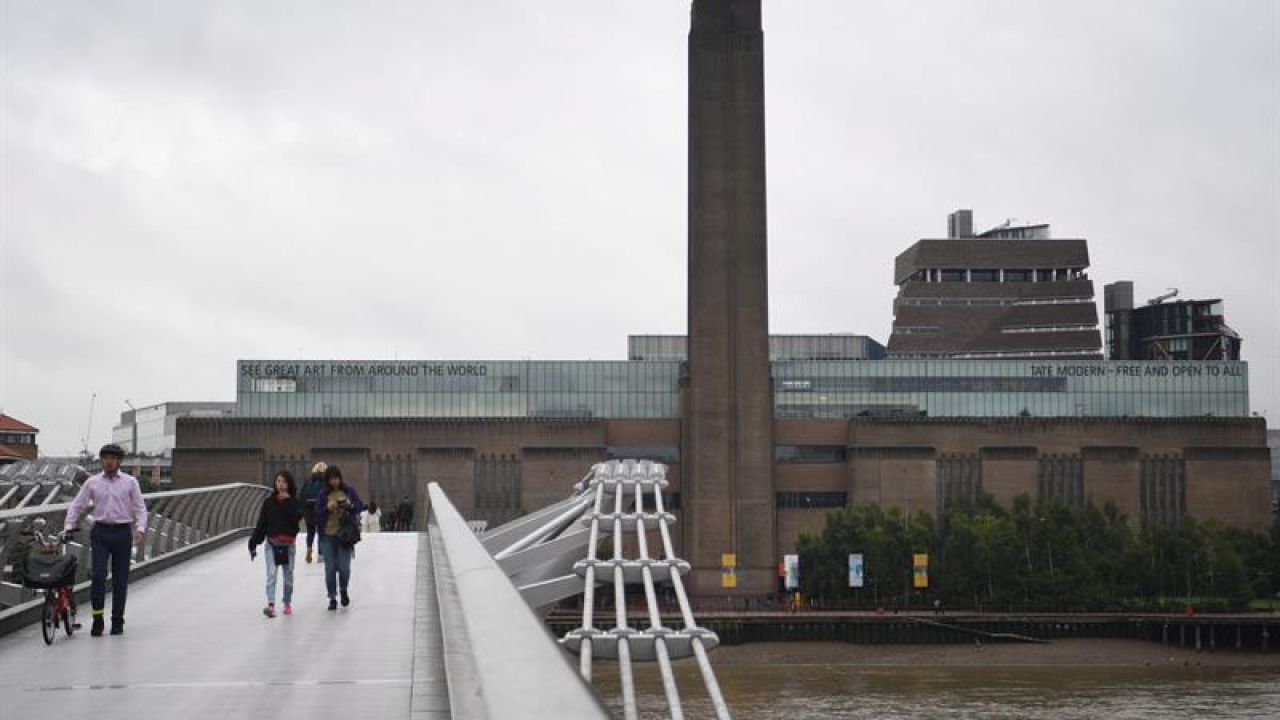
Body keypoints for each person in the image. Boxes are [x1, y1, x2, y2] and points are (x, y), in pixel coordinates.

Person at [63, 443, 147, 637]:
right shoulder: (92, 482)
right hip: (100, 532)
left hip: (122, 533)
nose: (109, 462)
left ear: (119, 461)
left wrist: (140, 528)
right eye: (105, 458)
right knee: (98, 576)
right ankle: (97, 620)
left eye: (113, 458)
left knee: (120, 580)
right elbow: (77, 505)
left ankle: (117, 620)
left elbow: (140, 508)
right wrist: (69, 525)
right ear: (101, 460)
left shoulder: (130, 482)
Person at [248, 470, 303, 618]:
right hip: (272, 544)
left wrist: (288, 502)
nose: (281, 484)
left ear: (289, 484)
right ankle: (271, 605)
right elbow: (262, 524)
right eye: (278, 481)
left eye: (284, 482)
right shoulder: (268, 502)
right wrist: (253, 543)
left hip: (288, 545)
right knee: (271, 574)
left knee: (288, 575)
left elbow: (296, 520)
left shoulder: (294, 502)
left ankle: (287, 602)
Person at [313, 465, 364, 610]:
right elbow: (317, 516)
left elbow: (359, 506)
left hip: (344, 536)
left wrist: (350, 506)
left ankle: (343, 589)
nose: (334, 481)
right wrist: (327, 509)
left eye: (336, 478)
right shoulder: (323, 495)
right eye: (331, 479)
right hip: (327, 536)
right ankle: (332, 597)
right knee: (330, 569)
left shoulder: (348, 491)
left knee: (344, 568)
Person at [299, 462, 327, 563]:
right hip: (320, 512)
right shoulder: (325, 482)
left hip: (308, 512)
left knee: (310, 532)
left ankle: (309, 548)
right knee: (321, 533)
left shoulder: (308, 481)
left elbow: (301, 496)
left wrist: (303, 511)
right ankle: (321, 554)